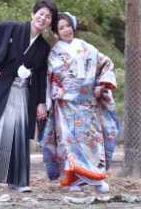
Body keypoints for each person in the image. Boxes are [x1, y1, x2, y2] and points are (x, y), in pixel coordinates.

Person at [0, 0, 59, 193]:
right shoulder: (11, 28)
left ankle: (16, 181)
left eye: (48, 17)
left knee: (18, 136)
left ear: (50, 23)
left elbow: (40, 76)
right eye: (40, 14)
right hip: (0, 88)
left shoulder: (43, 47)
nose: (42, 18)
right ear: (32, 14)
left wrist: (41, 103)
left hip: (23, 93)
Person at [39, 11, 119, 193]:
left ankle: (96, 179)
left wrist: (101, 84)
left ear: (73, 26)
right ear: (56, 32)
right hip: (65, 106)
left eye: (68, 26)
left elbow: (106, 63)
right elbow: (47, 80)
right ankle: (74, 179)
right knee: (68, 143)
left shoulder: (87, 48)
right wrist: (47, 102)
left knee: (92, 139)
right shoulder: (53, 55)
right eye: (61, 28)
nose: (66, 30)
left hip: (87, 104)